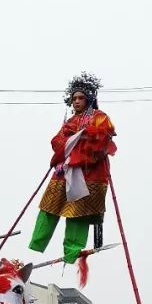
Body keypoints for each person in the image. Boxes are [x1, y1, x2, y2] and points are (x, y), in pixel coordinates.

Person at [29, 72, 117, 264]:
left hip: (88, 173)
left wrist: (78, 140)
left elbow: (101, 140)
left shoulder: (100, 117)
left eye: (81, 98)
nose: (76, 101)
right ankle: (37, 243)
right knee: (49, 206)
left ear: (89, 99)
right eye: (74, 98)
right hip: (65, 170)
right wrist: (73, 140)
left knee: (79, 212)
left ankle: (71, 252)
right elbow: (57, 142)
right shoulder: (69, 121)